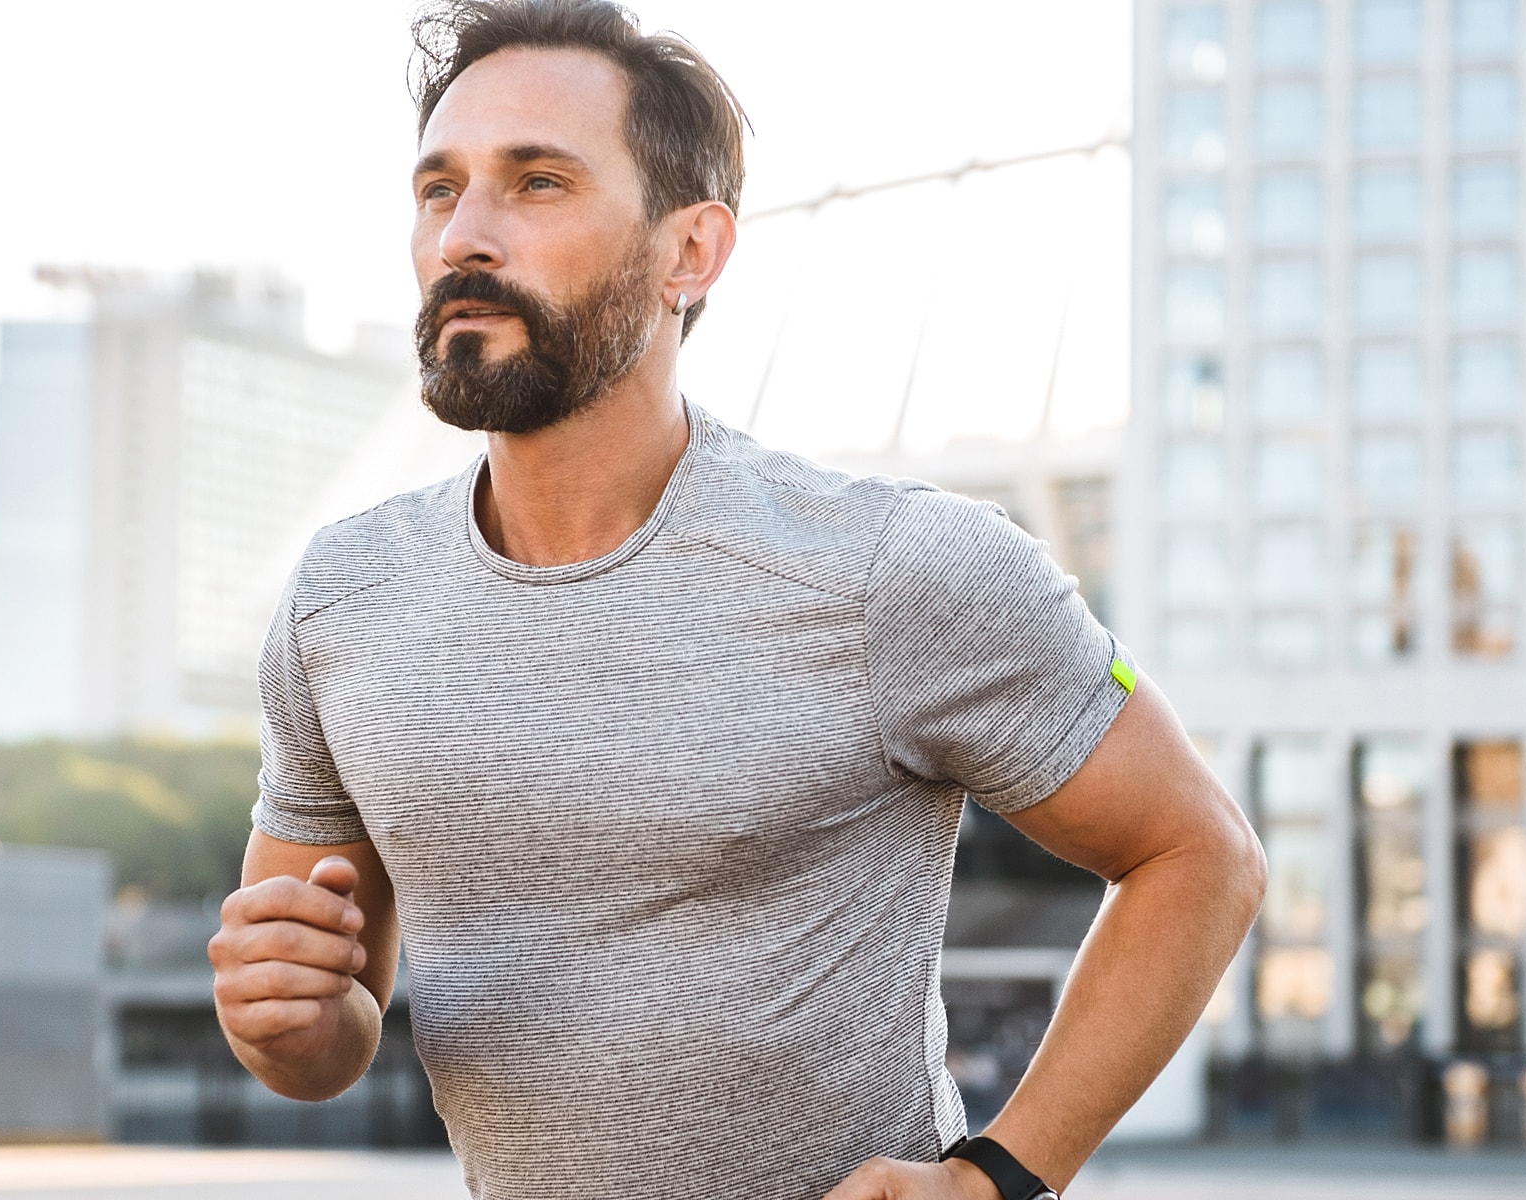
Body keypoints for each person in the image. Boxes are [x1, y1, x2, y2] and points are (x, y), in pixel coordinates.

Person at [207, 3, 1266, 1197]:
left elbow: (1200, 852)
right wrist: (284, 1020)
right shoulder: (341, 601)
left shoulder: (898, 568)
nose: (467, 236)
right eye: (439, 190)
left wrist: (1001, 1180)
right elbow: (324, 1036)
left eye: (538, 182)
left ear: (689, 252)